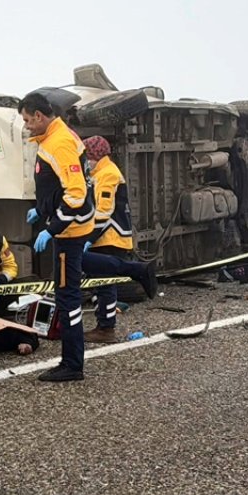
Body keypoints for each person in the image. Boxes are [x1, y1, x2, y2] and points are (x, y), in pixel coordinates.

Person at [19, 89, 94, 382]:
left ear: (39, 116)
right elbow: (59, 185)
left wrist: (52, 228)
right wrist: (42, 209)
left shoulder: (59, 143)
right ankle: (71, 361)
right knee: (69, 290)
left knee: (67, 298)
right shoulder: (55, 136)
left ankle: (72, 364)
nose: (25, 125)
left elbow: (76, 193)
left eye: (27, 120)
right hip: (70, 226)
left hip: (70, 231)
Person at [78, 135, 158, 343]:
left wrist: (88, 237)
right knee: (102, 283)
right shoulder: (99, 172)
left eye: (87, 156)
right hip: (107, 236)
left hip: (109, 236)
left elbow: (104, 211)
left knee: (104, 284)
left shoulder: (107, 174)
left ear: (95, 155)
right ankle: (105, 322)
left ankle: (105, 329)